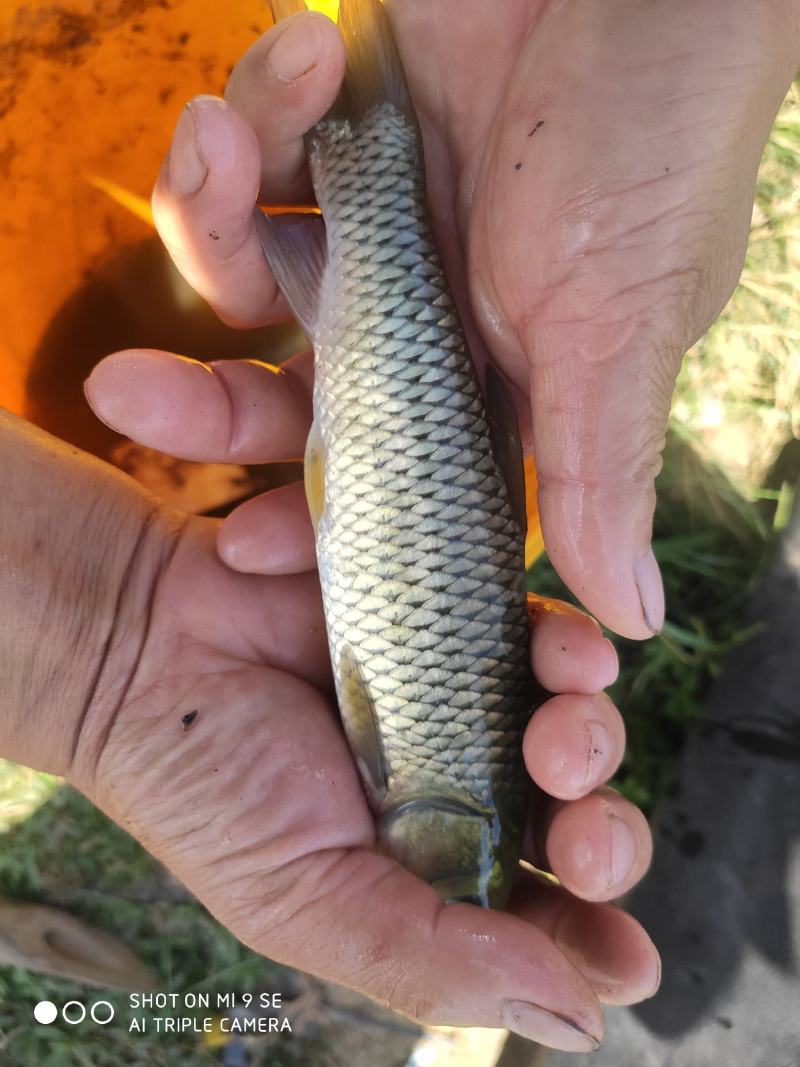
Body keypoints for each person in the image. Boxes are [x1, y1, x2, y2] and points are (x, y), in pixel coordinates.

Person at [2, 0, 796, 1053]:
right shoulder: (404, 777)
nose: (421, 875)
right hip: (394, 435)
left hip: (413, 432)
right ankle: (360, 107)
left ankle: (357, 101)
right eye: (445, 869)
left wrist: (92, 670)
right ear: (438, 829)